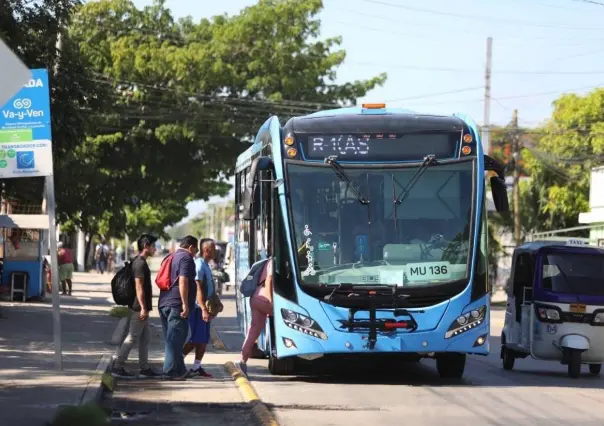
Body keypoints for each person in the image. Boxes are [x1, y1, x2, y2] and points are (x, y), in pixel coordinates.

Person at [113, 234, 160, 378]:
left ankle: (144, 368)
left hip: (139, 306)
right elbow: (139, 287)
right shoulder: (140, 264)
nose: (155, 249)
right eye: (153, 246)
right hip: (138, 307)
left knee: (145, 338)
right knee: (132, 337)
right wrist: (143, 308)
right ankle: (118, 367)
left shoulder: (140, 262)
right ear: (145, 246)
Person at [158, 235, 198, 380]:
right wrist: (185, 305)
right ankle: (169, 372)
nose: (196, 253)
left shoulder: (171, 256)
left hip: (164, 302)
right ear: (191, 247)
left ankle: (180, 370)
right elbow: (183, 282)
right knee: (174, 341)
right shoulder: (186, 258)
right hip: (177, 305)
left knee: (174, 340)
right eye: (196, 249)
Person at [235, 254, 274, 376]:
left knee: (254, 330)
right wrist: (271, 301)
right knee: (287, 319)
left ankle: (242, 361)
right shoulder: (274, 262)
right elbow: (269, 280)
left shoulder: (267, 261)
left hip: (255, 297)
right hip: (265, 298)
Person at [182, 238, 215, 377]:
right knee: (195, 339)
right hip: (197, 309)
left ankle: (196, 367)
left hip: (204, 307)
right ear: (206, 250)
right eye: (213, 249)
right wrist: (203, 309)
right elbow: (198, 287)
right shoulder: (200, 265)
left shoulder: (206, 265)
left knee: (203, 340)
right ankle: (177, 361)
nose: (216, 252)